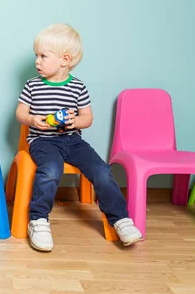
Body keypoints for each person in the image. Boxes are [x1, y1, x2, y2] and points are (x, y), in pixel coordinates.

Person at [15, 23, 142, 251]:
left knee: (102, 170)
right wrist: (33, 120)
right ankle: (38, 220)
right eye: (36, 55)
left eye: (43, 56)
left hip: (72, 141)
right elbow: (20, 113)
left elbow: (87, 118)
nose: (37, 61)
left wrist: (76, 122)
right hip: (42, 141)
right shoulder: (32, 85)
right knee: (51, 170)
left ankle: (120, 218)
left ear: (64, 60)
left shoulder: (77, 87)